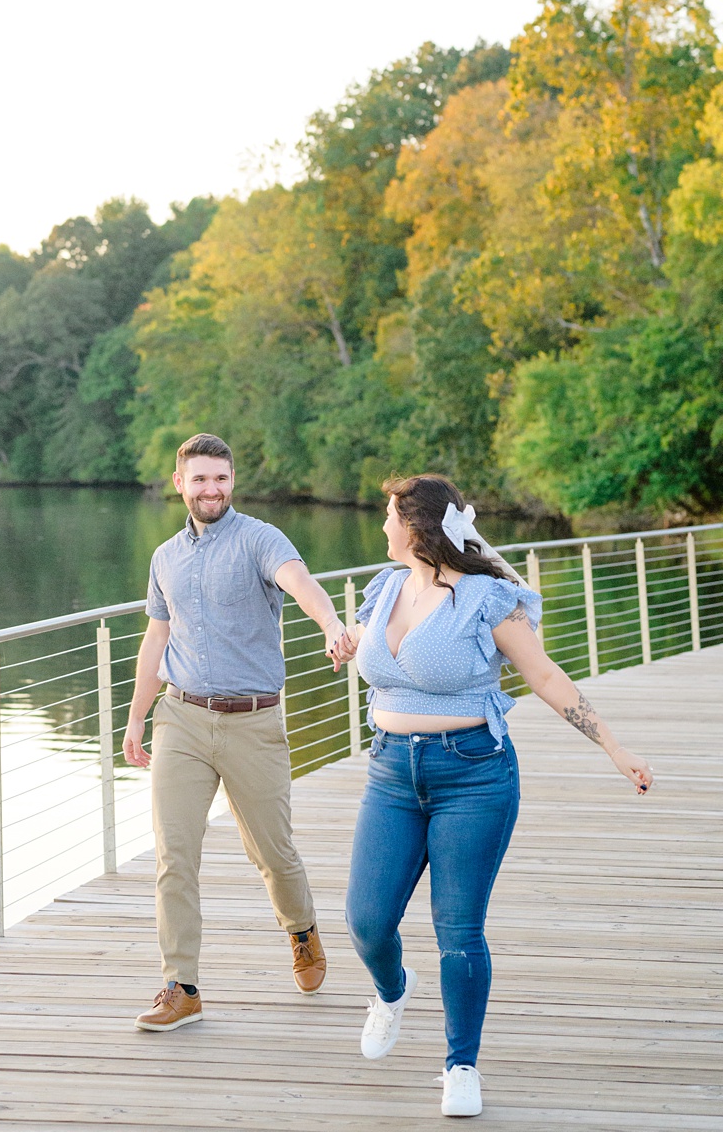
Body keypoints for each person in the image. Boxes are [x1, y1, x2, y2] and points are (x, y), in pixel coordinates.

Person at [344, 474, 652, 1120]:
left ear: (419, 528)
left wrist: (614, 747)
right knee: (367, 922)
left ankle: (461, 1065)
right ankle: (392, 992)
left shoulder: (488, 599)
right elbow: (375, 656)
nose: (382, 527)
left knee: (458, 931)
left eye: (390, 516)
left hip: (473, 776)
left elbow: (542, 674)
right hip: (391, 772)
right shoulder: (386, 586)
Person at [123, 432, 357, 1031]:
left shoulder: (260, 538)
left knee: (273, 853)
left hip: (254, 722)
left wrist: (331, 623)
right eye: (200, 479)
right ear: (180, 483)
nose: (211, 489)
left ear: (233, 481)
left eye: (221, 479)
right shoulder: (165, 557)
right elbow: (157, 638)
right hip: (181, 719)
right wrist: (136, 716)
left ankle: (302, 930)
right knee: (174, 855)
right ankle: (183, 986)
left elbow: (301, 584)